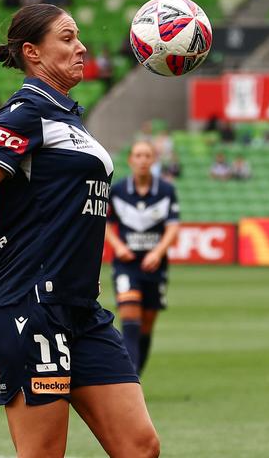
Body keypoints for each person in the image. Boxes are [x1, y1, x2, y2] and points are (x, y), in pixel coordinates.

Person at [0, 4, 160, 457]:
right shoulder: (26, 111)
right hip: (32, 308)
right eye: (67, 37)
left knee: (140, 447)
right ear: (32, 53)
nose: (81, 47)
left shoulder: (69, 117)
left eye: (78, 37)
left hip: (81, 310)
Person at [106, 141, 179, 376]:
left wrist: (157, 252)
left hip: (155, 266)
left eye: (147, 155)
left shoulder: (166, 191)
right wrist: (117, 246)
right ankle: (130, 377)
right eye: (138, 155)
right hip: (126, 265)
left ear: (153, 160)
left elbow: (173, 227)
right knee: (130, 319)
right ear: (130, 160)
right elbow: (104, 223)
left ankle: (136, 374)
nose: (142, 160)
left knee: (146, 325)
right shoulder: (116, 191)